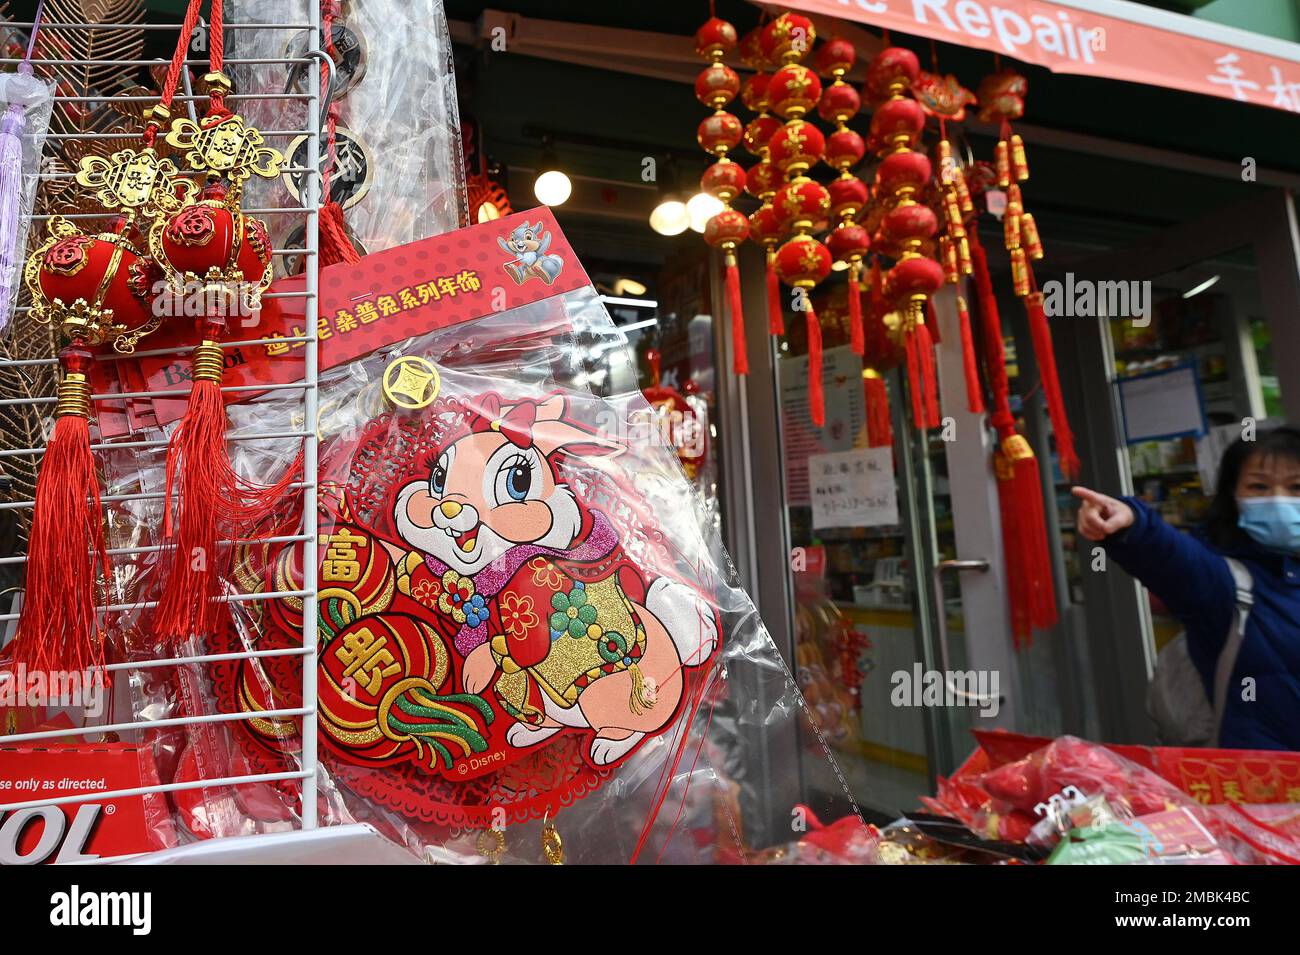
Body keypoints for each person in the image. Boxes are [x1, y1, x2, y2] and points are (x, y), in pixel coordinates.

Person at [1073, 426, 1300, 751]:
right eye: (1259, 486)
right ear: (1232, 497)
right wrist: (1133, 524)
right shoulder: (1225, 581)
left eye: (1297, 487)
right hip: (1263, 788)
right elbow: (1174, 559)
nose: (1279, 501)